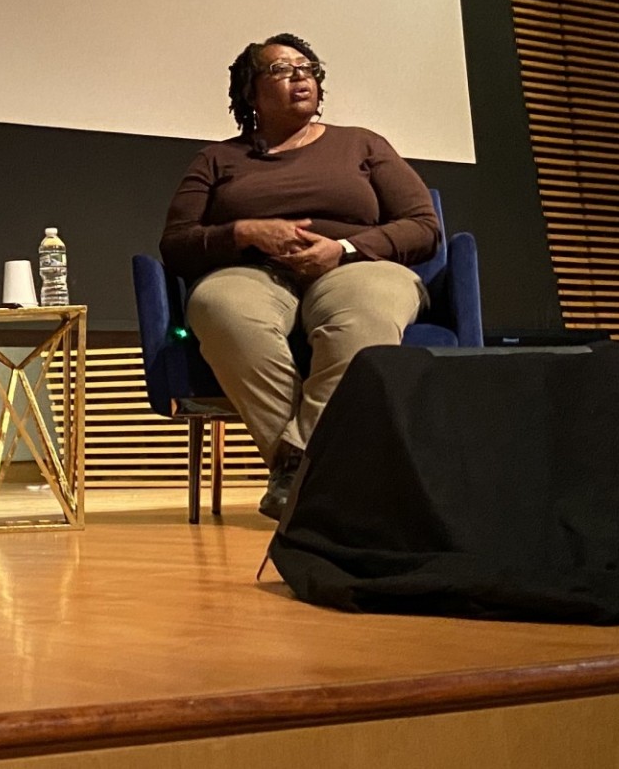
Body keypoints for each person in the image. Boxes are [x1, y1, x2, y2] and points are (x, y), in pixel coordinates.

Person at [160, 33, 439, 520]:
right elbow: (177, 244)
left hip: (355, 266)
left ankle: (296, 468)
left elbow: (423, 226)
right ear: (251, 93)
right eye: (281, 69)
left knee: (367, 312)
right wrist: (244, 231)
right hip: (253, 272)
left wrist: (345, 248)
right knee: (219, 309)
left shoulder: (363, 143)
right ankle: (316, 472)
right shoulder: (217, 160)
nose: (300, 75)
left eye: (307, 67)